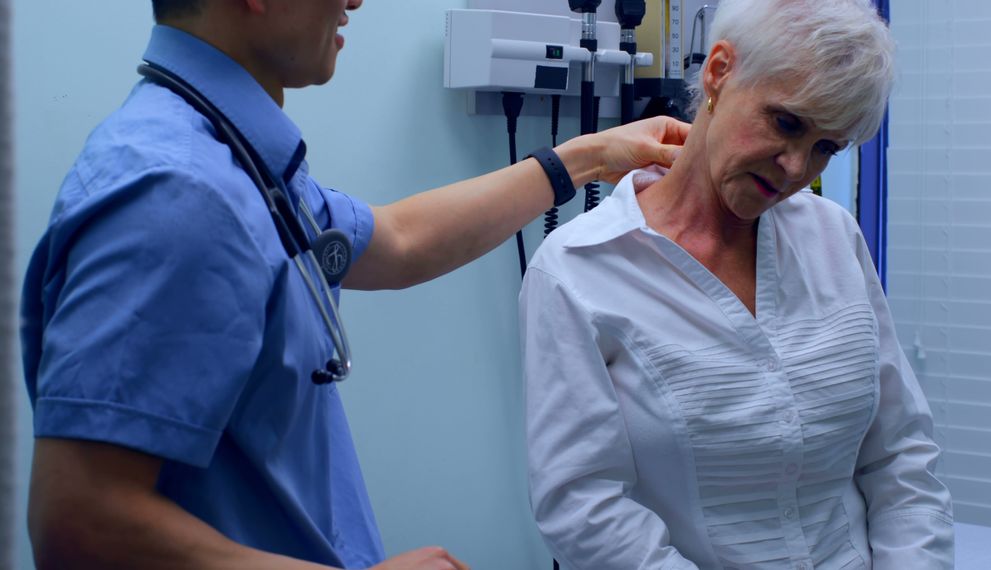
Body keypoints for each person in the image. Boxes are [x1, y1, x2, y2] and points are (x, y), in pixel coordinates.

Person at [19, 1, 689, 569]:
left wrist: (591, 154)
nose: (357, 0)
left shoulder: (235, 162)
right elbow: (81, 519)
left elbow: (397, 240)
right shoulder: (179, 192)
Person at [519, 0, 954, 568]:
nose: (797, 168)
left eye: (827, 147)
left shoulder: (833, 237)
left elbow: (900, 456)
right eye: (787, 123)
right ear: (720, 72)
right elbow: (584, 505)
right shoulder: (580, 268)